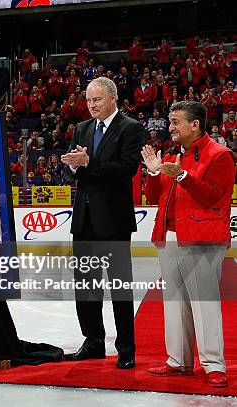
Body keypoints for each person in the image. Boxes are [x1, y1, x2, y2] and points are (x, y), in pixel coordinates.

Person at [142, 101, 234, 388]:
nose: (170, 127)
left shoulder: (220, 156)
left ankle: (213, 364)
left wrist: (182, 176)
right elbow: (154, 197)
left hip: (201, 238)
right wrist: (154, 172)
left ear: (195, 124)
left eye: (176, 122)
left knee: (204, 303)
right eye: (170, 121)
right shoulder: (172, 154)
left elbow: (213, 196)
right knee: (174, 302)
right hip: (168, 236)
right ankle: (178, 361)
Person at [60, 77, 146, 369]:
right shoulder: (82, 128)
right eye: (88, 100)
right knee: (85, 285)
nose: (91, 105)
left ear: (112, 98)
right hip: (83, 219)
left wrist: (87, 163)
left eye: (96, 100)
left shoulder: (131, 128)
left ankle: (126, 348)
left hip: (114, 221)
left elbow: (125, 171)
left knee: (120, 287)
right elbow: (77, 172)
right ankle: (94, 342)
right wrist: (73, 164)